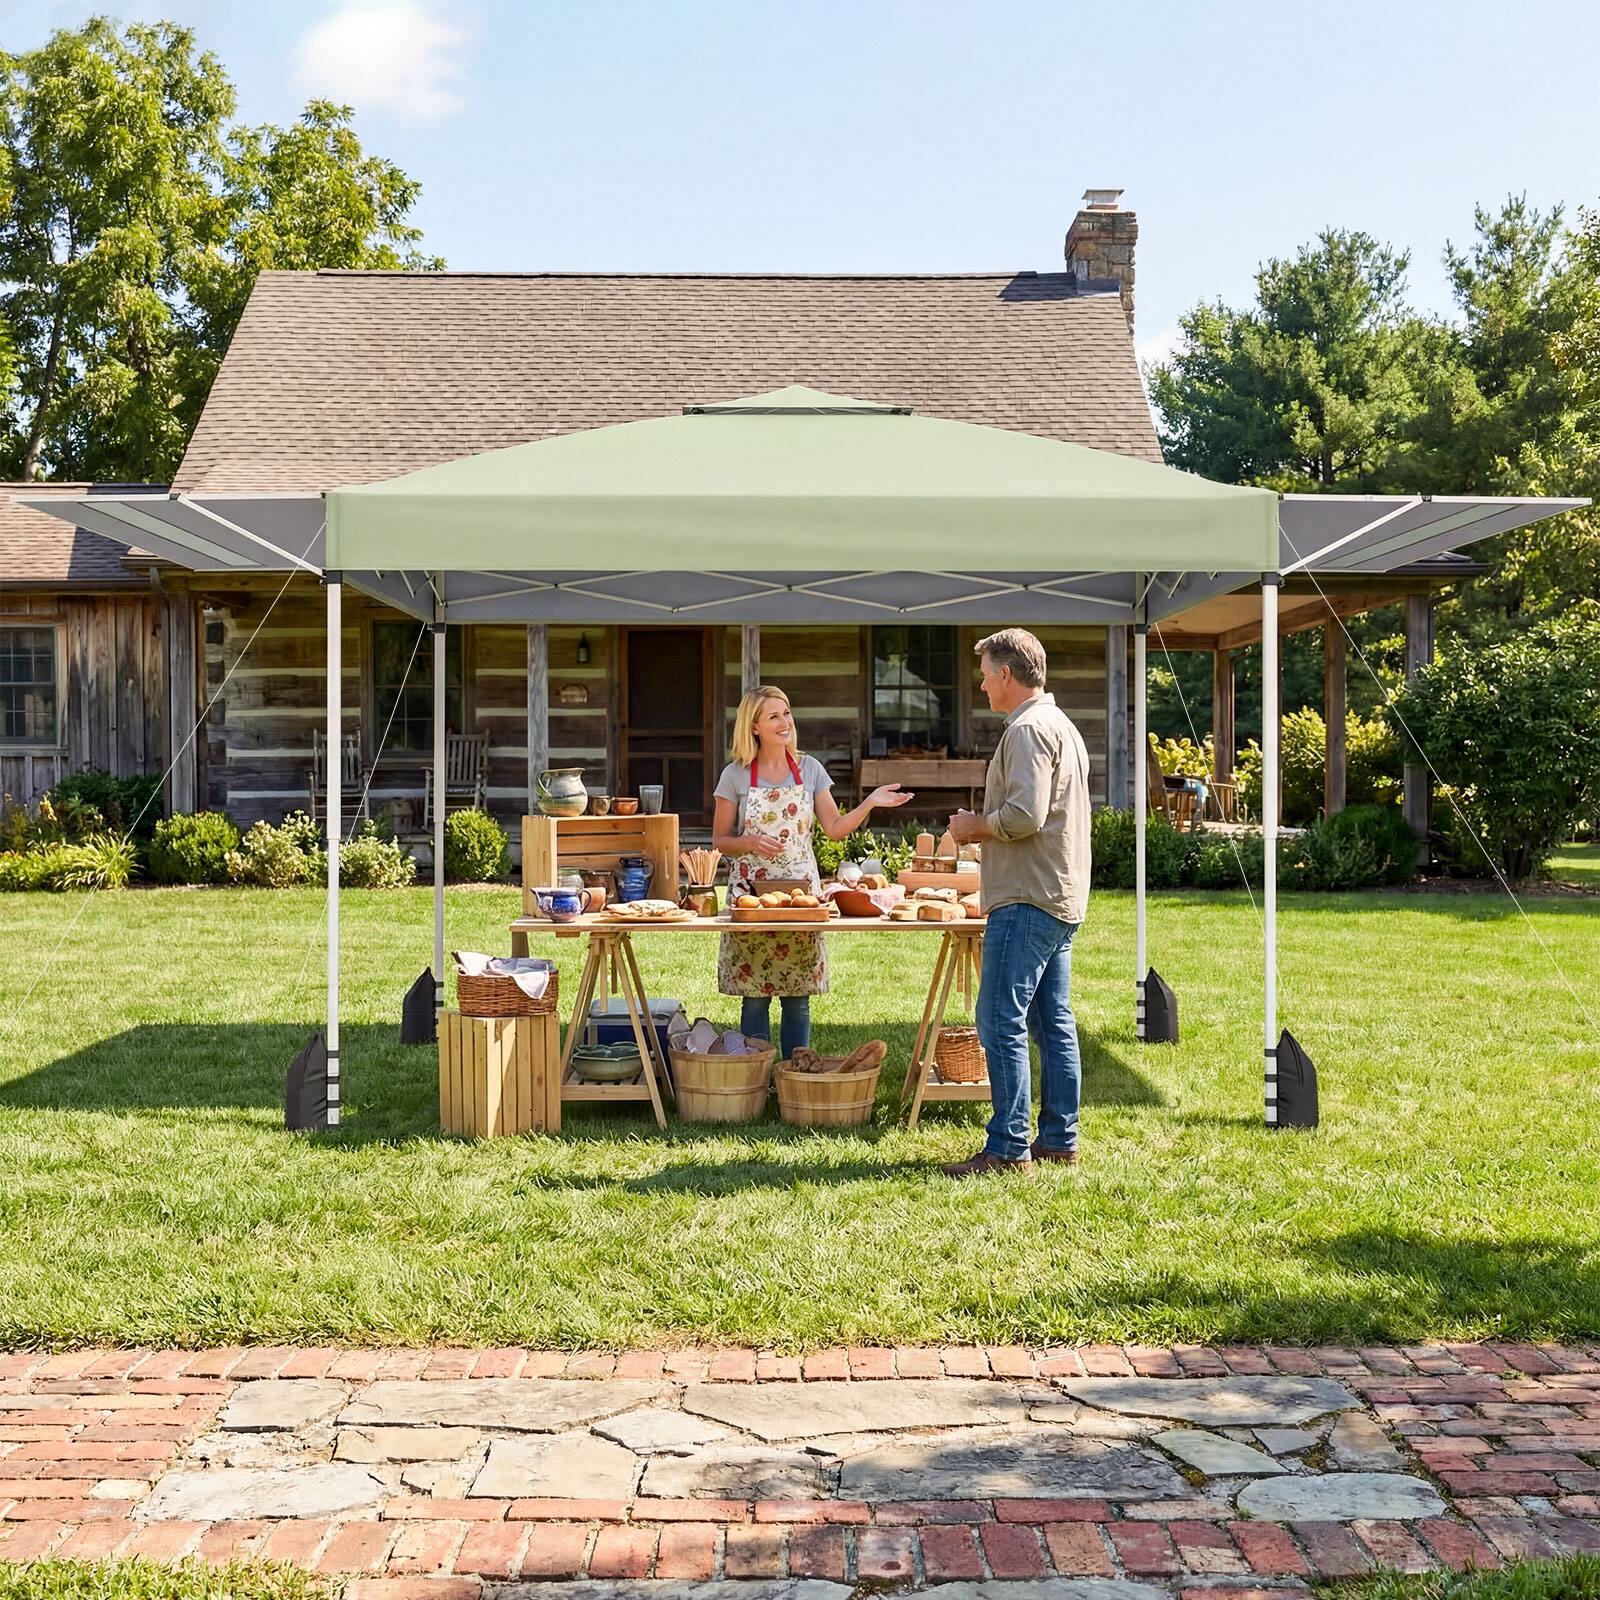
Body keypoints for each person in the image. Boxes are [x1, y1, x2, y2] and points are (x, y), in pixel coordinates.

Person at [942, 628, 1091, 1177]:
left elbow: (1025, 816)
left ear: (1007, 673)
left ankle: (1007, 1148)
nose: (981, 685)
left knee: (999, 1019)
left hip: (1027, 896)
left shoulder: (1028, 730)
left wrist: (972, 827)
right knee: (1052, 1019)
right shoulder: (1062, 725)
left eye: (984, 674)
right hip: (1059, 893)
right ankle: (1058, 1139)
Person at [712, 685, 912, 1058]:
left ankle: (794, 1075)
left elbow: (834, 828)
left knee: (797, 997)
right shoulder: (735, 775)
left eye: (786, 712)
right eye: (774, 715)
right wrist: (750, 842)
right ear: (753, 726)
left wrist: (869, 802)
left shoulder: (809, 769)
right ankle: (755, 1078)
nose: (785, 721)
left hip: (799, 898)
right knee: (754, 997)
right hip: (751, 900)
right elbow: (721, 839)